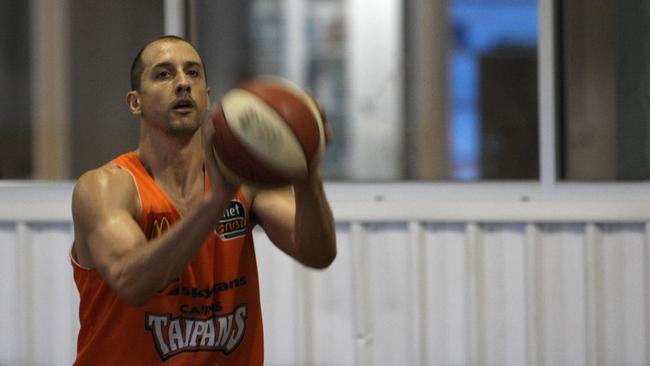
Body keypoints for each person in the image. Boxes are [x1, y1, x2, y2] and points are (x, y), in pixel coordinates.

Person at [70, 35, 336, 365]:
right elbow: (131, 282)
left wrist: (307, 176)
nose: (183, 83)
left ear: (208, 98)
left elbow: (317, 253)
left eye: (193, 73)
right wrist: (215, 202)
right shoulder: (105, 187)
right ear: (134, 102)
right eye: (164, 74)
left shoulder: (248, 181)